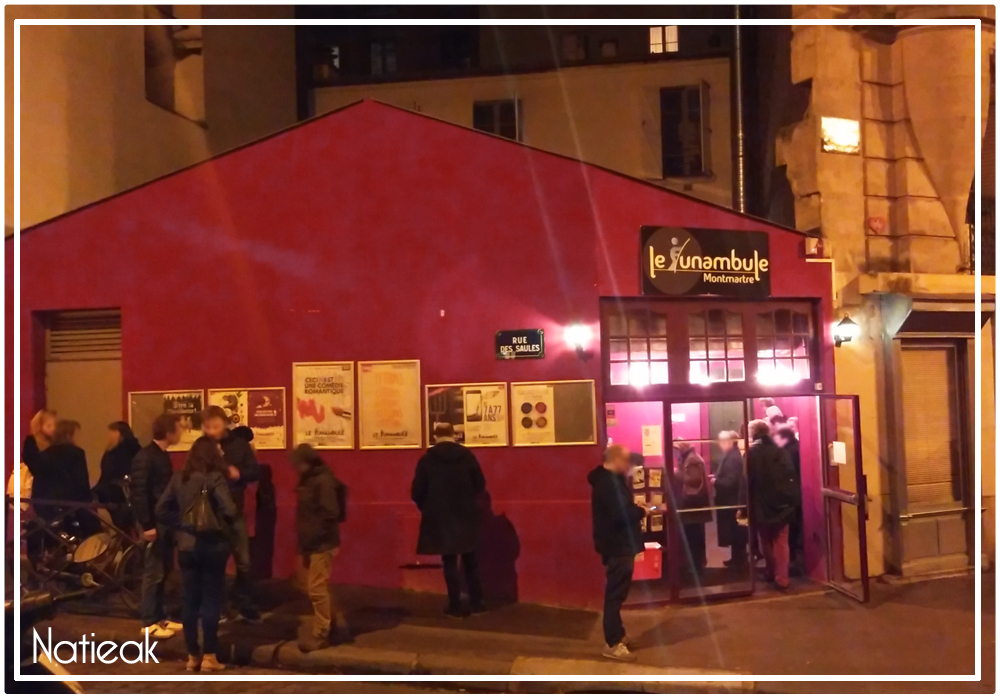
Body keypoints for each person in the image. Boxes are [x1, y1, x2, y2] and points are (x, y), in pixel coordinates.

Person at [155, 435, 237, 673]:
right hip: (212, 546)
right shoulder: (214, 478)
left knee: (190, 600)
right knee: (211, 599)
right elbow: (229, 509)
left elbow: (161, 509)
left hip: (186, 547)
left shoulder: (179, 477)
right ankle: (210, 655)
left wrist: (183, 524)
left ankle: (192, 656)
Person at [411, 423, 486, 618]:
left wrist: (427, 507)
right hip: (466, 515)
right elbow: (480, 484)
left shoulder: (427, 460)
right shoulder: (467, 457)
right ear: (453, 435)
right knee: (471, 560)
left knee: (449, 562)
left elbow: (417, 491)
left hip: (441, 517)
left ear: (435, 436)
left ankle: (455, 604)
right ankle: (477, 602)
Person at [588, 444, 650, 662]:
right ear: (614, 460)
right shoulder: (609, 483)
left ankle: (618, 635)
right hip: (618, 546)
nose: (628, 466)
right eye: (625, 461)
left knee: (618, 593)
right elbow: (620, 515)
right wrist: (641, 511)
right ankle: (613, 642)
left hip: (618, 545)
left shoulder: (609, 480)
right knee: (615, 595)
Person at [202, 406, 262, 623]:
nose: (211, 431)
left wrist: (240, 474)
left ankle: (245, 604)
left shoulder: (239, 445)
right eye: (207, 427)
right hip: (211, 511)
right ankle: (219, 607)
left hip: (235, 509)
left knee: (243, 560)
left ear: (225, 424)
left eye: (215, 426)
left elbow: (255, 471)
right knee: (215, 562)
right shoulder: (202, 447)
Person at [132, 413, 184, 639]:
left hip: (163, 522)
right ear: (169, 431)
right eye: (179, 428)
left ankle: (159, 617)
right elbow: (140, 492)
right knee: (153, 573)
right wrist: (147, 524)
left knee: (163, 571)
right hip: (155, 523)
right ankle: (148, 621)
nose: (182, 432)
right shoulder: (147, 456)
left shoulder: (159, 455)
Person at [291, 444, 346, 652]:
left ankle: (321, 633)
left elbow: (329, 513)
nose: (295, 467)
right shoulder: (309, 480)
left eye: (298, 463)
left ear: (308, 462)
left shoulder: (322, 481)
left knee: (316, 588)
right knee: (309, 584)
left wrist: (314, 537)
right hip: (311, 542)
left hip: (322, 543)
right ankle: (336, 624)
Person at [745, 420, 800, 591]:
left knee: (766, 540)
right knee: (782, 541)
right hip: (783, 504)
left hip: (762, 504)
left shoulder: (752, 452)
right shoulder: (780, 450)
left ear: (752, 433)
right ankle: (782, 577)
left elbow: (747, 481)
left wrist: (744, 505)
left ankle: (770, 571)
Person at [33, 420, 96, 530]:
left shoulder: (44, 455)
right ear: (69, 435)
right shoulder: (76, 453)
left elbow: (38, 484)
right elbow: (81, 484)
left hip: (46, 509)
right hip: (71, 508)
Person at [93, 421, 141, 530]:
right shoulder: (132, 449)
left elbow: (111, 472)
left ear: (118, 433)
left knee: (122, 524)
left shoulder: (120, 451)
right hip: (118, 493)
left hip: (118, 494)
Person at [674, 441, 711, 575]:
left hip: (693, 505)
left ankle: (696, 566)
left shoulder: (692, 460)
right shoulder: (690, 458)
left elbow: (693, 481)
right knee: (694, 535)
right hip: (694, 505)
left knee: (694, 536)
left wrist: (677, 472)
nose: (674, 453)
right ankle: (696, 564)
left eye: (675, 450)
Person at [713, 431, 748, 568]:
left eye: (722, 442)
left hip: (731, 500)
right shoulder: (733, 456)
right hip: (731, 500)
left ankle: (739, 559)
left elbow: (730, 481)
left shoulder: (732, 458)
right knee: (735, 531)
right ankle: (737, 558)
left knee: (736, 531)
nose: (721, 445)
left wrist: (716, 481)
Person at [774, 426, 804, 574]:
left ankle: (789, 559)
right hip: (797, 492)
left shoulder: (788, 452)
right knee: (794, 525)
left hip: (791, 494)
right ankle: (792, 556)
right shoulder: (796, 448)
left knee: (790, 528)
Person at [22, 409, 56, 476]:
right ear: (39, 426)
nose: (53, 428)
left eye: (55, 425)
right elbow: (31, 462)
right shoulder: (31, 441)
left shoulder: (55, 442)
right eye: (49, 426)